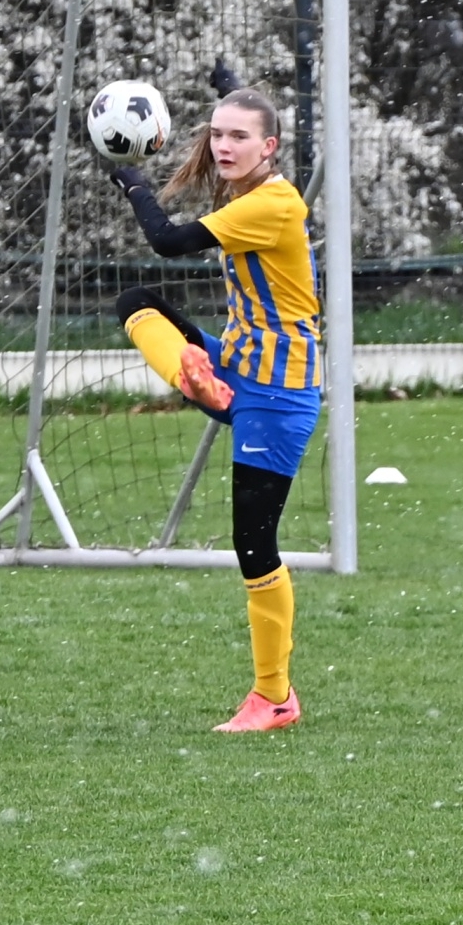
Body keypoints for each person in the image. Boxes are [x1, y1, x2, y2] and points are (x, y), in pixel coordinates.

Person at [107, 86, 322, 733]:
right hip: (235, 369)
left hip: (278, 392)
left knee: (254, 542)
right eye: (217, 134)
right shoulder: (249, 192)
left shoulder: (274, 203)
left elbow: (168, 239)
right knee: (137, 303)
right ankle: (193, 377)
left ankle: (274, 698)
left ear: (269, 147)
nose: (223, 146)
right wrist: (230, 80)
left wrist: (132, 182)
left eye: (238, 137)